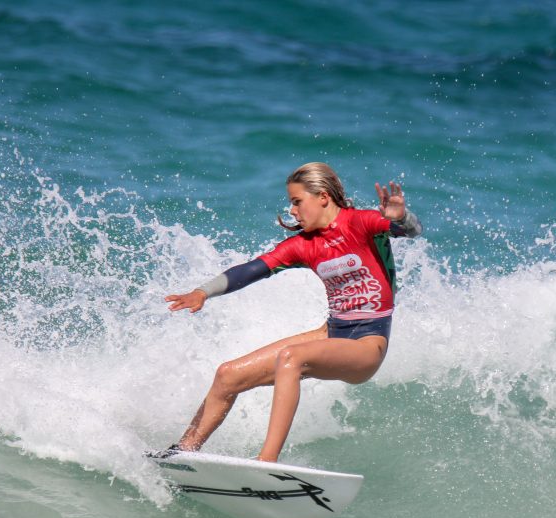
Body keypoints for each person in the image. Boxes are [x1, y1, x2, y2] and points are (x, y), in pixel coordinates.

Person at [163, 162, 423, 462]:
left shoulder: (362, 223)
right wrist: (203, 292)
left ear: (323, 197)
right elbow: (252, 270)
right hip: (331, 333)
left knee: (291, 358)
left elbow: (410, 231)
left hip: (368, 342)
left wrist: (402, 218)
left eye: (297, 202)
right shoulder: (304, 245)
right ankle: (181, 454)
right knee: (228, 374)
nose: (293, 211)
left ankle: (266, 461)